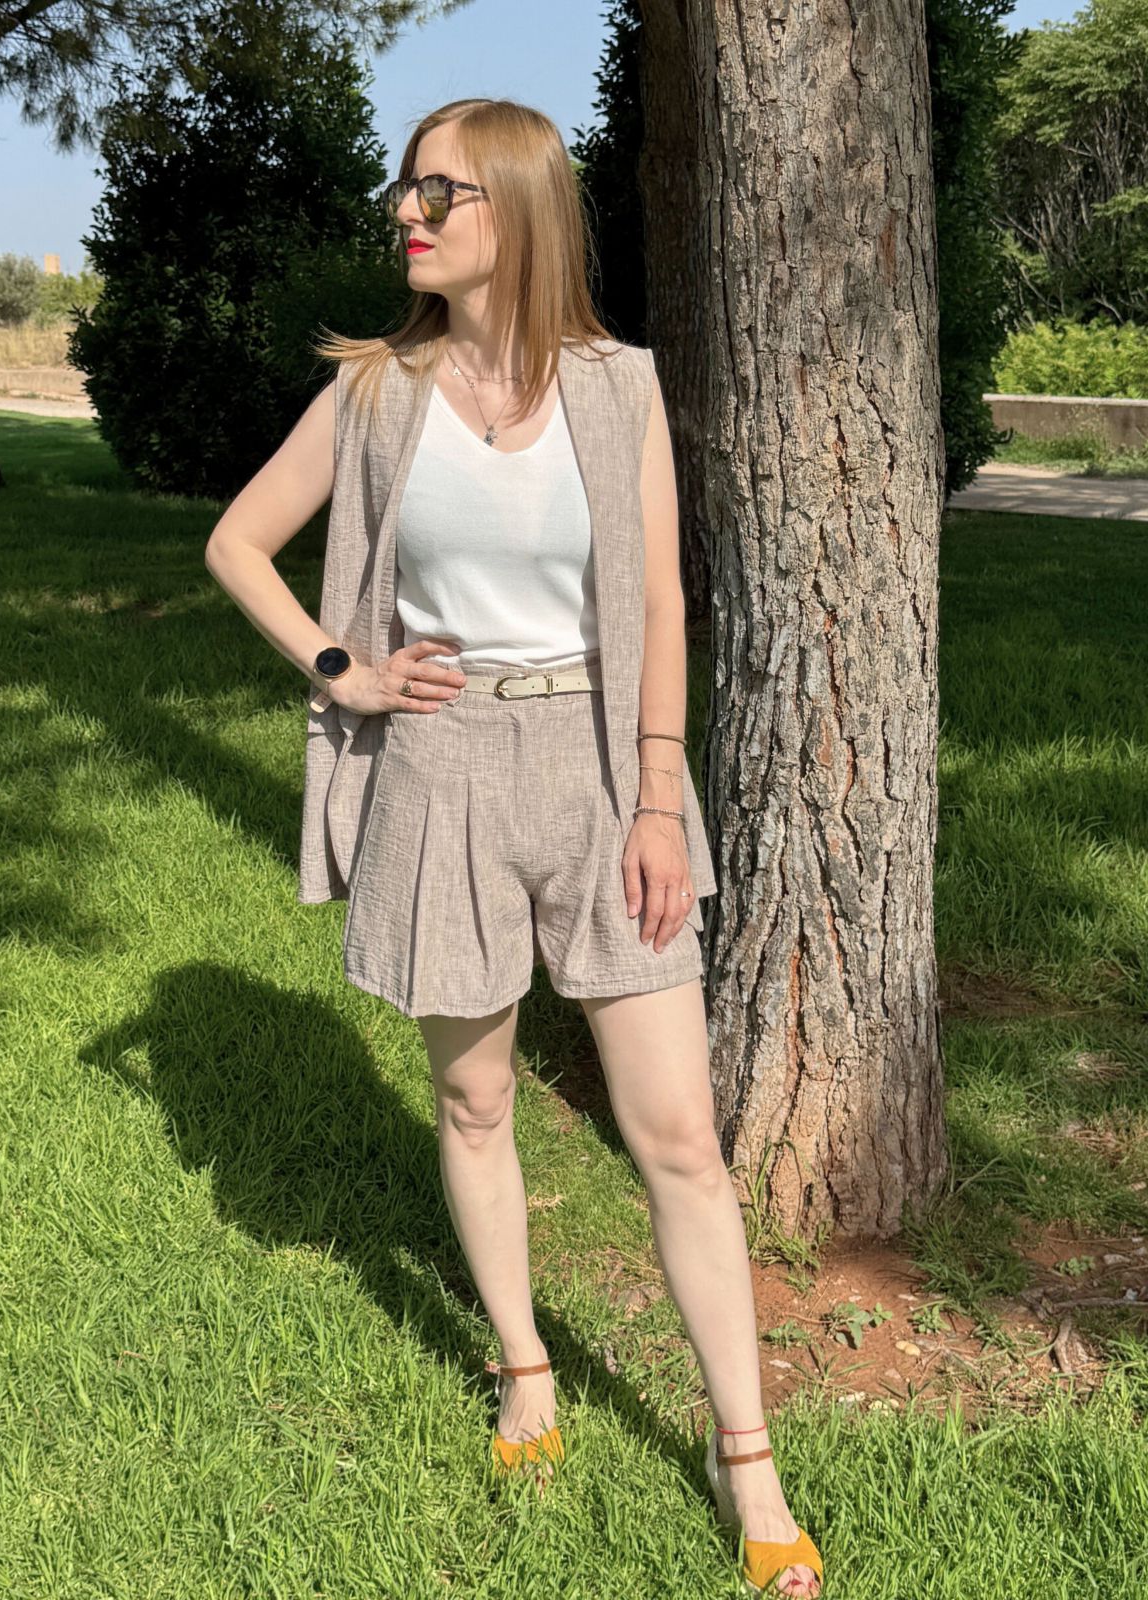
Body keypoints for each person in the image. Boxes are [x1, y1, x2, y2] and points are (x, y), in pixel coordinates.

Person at [205, 96, 822, 1600]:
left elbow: (660, 603)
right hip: (442, 769)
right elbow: (235, 542)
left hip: (604, 775)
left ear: (521, 209)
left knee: (678, 1136)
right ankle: (526, 1366)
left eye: (440, 193)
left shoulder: (619, 387)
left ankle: (748, 1460)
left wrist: (660, 801)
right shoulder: (373, 392)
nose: (407, 216)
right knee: (476, 1099)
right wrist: (342, 669)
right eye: (404, 191)